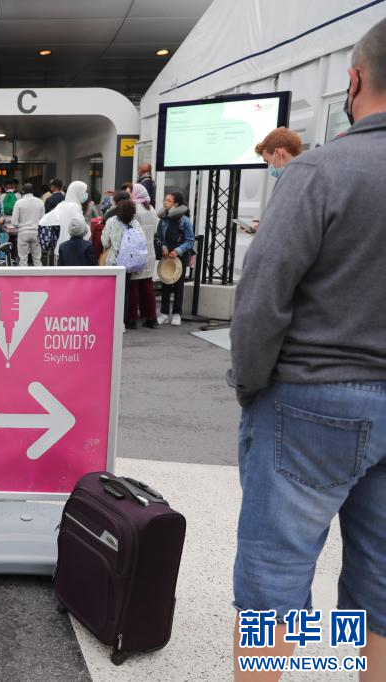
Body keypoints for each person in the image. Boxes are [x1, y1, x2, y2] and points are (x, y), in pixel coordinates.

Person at [230, 19, 386, 680]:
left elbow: (262, 297)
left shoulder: (320, 171)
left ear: (353, 79)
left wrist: (250, 384)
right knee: (380, 586)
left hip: (312, 399)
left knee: (274, 579)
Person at [248, 127, 303, 232]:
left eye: (268, 161)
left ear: (279, 153)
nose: (269, 166)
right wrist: (265, 226)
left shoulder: (296, 185)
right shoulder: (302, 179)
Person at [154, 191, 196, 326]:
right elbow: (159, 237)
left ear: (176, 204)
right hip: (166, 254)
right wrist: (164, 247)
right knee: (165, 283)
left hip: (180, 256)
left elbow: (190, 241)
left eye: (169, 200)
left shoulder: (185, 221)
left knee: (178, 285)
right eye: (165, 200)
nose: (165, 203)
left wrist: (178, 250)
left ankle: (177, 314)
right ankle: (164, 313)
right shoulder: (163, 220)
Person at [100, 198, 142, 329]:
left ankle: (108, 320)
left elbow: (105, 242)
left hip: (113, 263)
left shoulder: (111, 221)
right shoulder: (135, 223)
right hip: (128, 264)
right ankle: (121, 323)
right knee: (124, 293)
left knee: (110, 293)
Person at [129, 183, 159, 329]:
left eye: (131, 192)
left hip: (136, 250)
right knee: (147, 285)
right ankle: (151, 317)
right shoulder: (151, 209)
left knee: (133, 285)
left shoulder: (134, 209)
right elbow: (156, 229)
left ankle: (132, 318)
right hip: (150, 250)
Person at [39, 180, 90, 263]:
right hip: (73, 250)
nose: (85, 194)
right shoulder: (75, 207)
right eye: (84, 192)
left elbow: (44, 220)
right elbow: (82, 228)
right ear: (77, 192)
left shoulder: (62, 205)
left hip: (60, 248)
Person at [11, 182, 45, 266]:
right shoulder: (40, 202)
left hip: (23, 233)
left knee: (23, 260)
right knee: (37, 259)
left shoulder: (18, 203)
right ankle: (39, 274)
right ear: (33, 191)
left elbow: (14, 222)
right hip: (36, 232)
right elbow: (43, 220)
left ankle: (23, 274)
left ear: (23, 191)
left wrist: (20, 226)